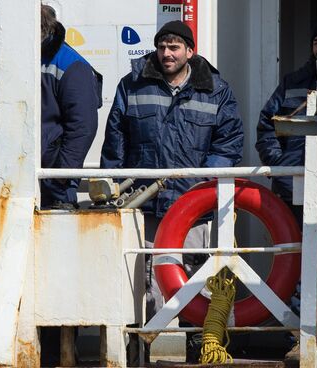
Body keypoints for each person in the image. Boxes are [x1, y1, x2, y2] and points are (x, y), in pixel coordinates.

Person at [100, 20, 244, 362]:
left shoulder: (216, 90)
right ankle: (151, 353)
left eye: (175, 47)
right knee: (150, 281)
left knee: (197, 277)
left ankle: (198, 349)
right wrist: (116, 190)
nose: (167, 53)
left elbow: (229, 143)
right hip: (146, 205)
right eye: (162, 46)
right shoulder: (132, 86)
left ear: (190, 52)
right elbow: (115, 144)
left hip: (194, 208)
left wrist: (200, 189)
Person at [255, 20, 317, 363]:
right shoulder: (293, 83)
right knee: (300, 263)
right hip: (297, 187)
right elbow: (266, 127)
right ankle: (302, 338)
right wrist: (283, 169)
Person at [0, 5, 102, 210]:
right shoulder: (19, 60)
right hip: (15, 173)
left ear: (41, 28)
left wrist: (60, 176)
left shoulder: (71, 65)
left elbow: (83, 127)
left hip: (53, 181)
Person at [256, 20, 317, 218]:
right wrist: (280, 164)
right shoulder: (293, 82)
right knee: (292, 247)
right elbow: (267, 125)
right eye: (316, 42)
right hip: (293, 187)